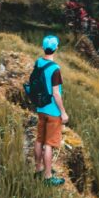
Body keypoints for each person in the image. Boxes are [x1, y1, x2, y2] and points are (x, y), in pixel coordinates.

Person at [34, 34, 68, 186]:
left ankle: (38, 169)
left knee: (39, 139)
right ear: (56, 48)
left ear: (43, 47)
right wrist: (63, 112)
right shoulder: (55, 69)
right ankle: (48, 177)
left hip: (41, 108)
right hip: (53, 112)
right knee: (49, 144)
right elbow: (56, 93)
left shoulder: (38, 62)